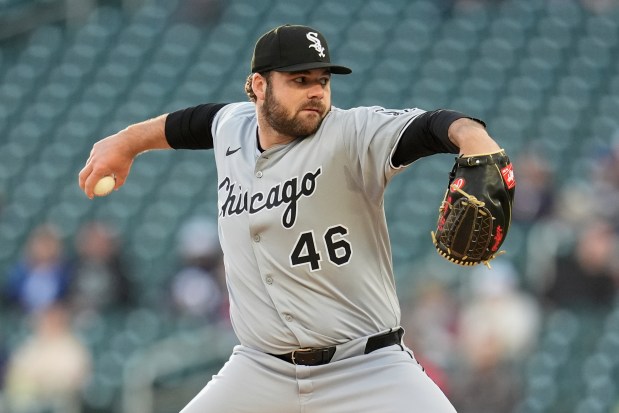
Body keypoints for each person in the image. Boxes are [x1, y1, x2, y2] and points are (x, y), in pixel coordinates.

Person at [79, 24, 506, 413]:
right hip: (261, 370)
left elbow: (431, 127)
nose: (317, 91)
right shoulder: (233, 127)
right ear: (259, 86)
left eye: (322, 80)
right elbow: (191, 123)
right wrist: (128, 141)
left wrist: (474, 137)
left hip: (368, 369)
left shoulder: (351, 134)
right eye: (300, 80)